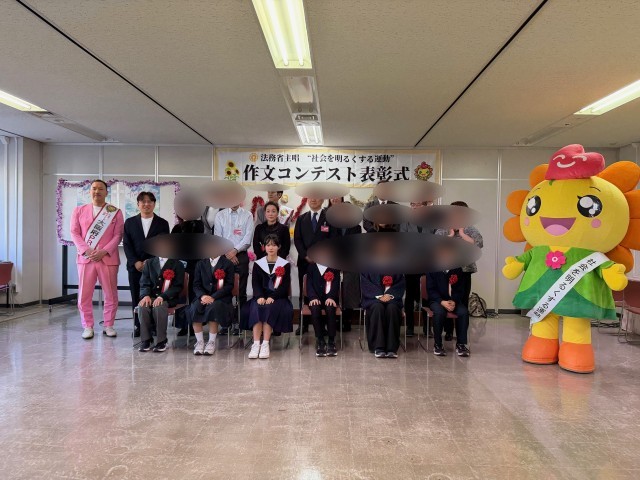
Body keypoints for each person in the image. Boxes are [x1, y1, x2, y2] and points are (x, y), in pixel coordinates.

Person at [70, 179, 124, 339]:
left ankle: (109, 325)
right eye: (94, 188)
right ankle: (87, 326)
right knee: (84, 294)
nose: (97, 191)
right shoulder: (79, 210)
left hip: (107, 259)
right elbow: (74, 233)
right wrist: (86, 250)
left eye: (101, 189)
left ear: (106, 192)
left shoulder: (115, 212)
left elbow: (118, 235)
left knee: (111, 294)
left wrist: (104, 251)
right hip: (86, 259)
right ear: (89, 191)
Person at [123, 192, 170, 337]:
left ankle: (154, 326)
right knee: (136, 295)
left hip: (155, 267)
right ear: (138, 204)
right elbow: (127, 245)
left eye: (150, 201)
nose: (146, 204)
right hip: (135, 267)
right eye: (143, 202)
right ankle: (138, 326)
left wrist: (150, 262)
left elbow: (163, 246)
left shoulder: (162, 223)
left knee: (154, 295)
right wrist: (135, 262)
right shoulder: (130, 222)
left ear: (154, 204)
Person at [435, 200, 483, 340]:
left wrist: (462, 234)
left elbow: (479, 244)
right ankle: (448, 330)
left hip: (465, 270)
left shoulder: (470, 229)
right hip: (446, 270)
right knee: (447, 299)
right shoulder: (443, 228)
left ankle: (462, 332)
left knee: (462, 300)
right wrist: (450, 236)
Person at [246, 234, 293, 359]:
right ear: (264, 247)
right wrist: (259, 296)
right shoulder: (258, 264)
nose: (271, 248)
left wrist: (273, 297)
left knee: (269, 308)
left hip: (278, 298)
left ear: (279, 247)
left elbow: (285, 286)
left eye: (274, 245)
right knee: (256, 306)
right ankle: (256, 344)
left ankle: (265, 344)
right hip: (261, 296)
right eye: (268, 245)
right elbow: (255, 283)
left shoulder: (285, 264)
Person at [293, 198, 336, 335]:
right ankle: (303, 324)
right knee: (304, 291)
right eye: (310, 196)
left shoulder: (329, 217)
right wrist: (306, 255)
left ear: (322, 199)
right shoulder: (301, 218)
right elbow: (297, 239)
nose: (313, 199)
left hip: (324, 261)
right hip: (305, 261)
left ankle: (323, 325)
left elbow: (333, 239)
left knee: (323, 290)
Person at [214, 203, 254, 336]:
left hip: (240, 255)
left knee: (240, 292)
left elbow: (247, 237)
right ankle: (225, 323)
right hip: (223, 255)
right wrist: (228, 253)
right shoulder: (220, 215)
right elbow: (217, 238)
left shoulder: (247, 215)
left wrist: (235, 251)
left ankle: (240, 323)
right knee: (223, 290)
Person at [399, 200, 434, 337]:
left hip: (427, 263)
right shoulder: (405, 222)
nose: (415, 207)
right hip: (411, 264)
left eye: (418, 204)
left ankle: (427, 328)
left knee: (426, 295)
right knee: (410, 296)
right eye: (413, 204)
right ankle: (410, 327)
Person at [189, 254, 235, 356]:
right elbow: (196, 285)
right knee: (195, 307)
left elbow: (229, 285)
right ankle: (200, 342)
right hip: (203, 296)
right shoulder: (200, 263)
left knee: (213, 308)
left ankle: (211, 342)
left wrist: (213, 297)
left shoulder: (228, 264)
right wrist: (202, 296)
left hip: (221, 297)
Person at [327, 196, 361, 332]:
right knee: (334, 290)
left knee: (349, 292)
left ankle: (347, 320)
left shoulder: (356, 228)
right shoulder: (332, 225)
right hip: (334, 262)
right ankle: (335, 319)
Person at [137, 256, 185, 352]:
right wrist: (145, 295)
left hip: (168, 298)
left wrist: (162, 297)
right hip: (151, 296)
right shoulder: (149, 263)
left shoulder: (177, 264)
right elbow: (144, 283)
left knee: (159, 306)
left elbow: (177, 286)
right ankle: (146, 340)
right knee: (143, 306)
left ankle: (161, 341)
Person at [171, 216, 206, 336]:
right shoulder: (177, 228)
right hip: (181, 264)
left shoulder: (198, 225)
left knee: (193, 295)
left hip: (195, 264)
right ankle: (183, 325)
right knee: (182, 295)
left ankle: (193, 324)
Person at [427, 267, 470, 357]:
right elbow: (430, 290)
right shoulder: (432, 268)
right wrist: (441, 301)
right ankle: (438, 344)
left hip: (453, 301)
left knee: (463, 312)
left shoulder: (457, 269)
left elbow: (461, 289)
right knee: (439, 312)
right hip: (437, 301)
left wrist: (454, 301)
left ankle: (461, 344)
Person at [361, 273, 405, 358]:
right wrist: (379, 295)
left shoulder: (397, 268)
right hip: (373, 299)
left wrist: (389, 294)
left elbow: (401, 284)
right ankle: (378, 347)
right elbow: (365, 284)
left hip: (392, 298)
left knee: (392, 308)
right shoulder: (367, 267)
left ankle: (392, 348)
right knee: (378, 308)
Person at [306, 263, 340, 357]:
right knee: (315, 308)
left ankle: (331, 341)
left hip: (330, 298)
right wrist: (313, 297)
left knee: (330, 308)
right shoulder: (311, 267)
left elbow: (336, 284)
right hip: (315, 298)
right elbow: (309, 284)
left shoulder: (334, 267)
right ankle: (320, 340)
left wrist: (331, 297)